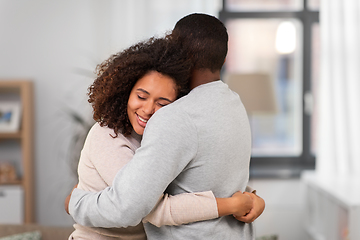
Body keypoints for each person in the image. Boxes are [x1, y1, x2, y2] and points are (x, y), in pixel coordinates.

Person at [68, 13, 265, 239]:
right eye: (142, 96)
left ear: (176, 51)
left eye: (162, 102)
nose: (150, 109)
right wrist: (245, 201)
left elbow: (131, 206)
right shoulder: (235, 106)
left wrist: (75, 201)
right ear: (223, 57)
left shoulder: (175, 117)